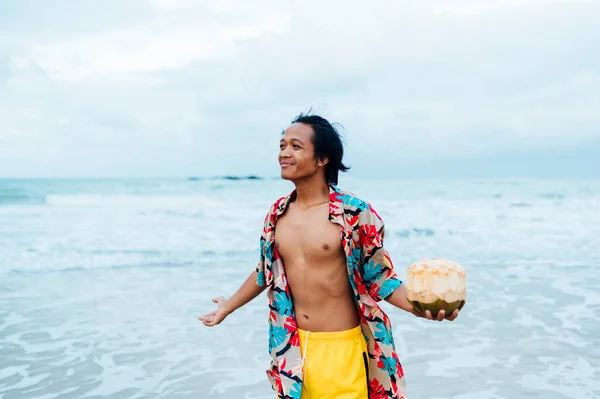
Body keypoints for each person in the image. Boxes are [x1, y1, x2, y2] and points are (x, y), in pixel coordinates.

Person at [199, 112, 460, 399]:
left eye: (296, 146)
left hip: (343, 350)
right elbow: (265, 271)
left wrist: (421, 307)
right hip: (291, 351)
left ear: (322, 158)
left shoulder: (353, 213)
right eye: (282, 145)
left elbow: (380, 278)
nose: (284, 153)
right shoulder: (276, 214)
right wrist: (228, 307)